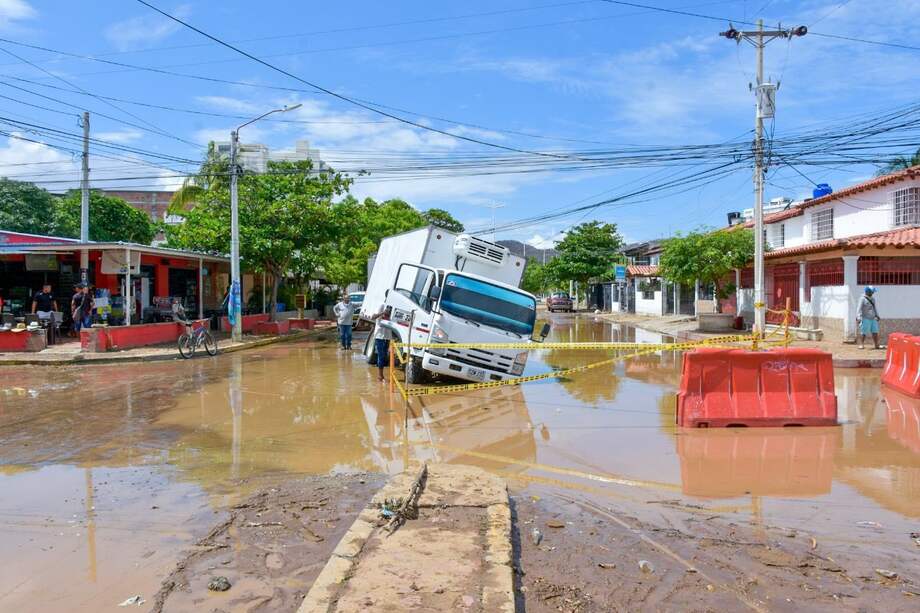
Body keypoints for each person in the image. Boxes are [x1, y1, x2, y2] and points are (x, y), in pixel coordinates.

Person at [372, 304, 395, 382]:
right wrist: (383, 313)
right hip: (379, 335)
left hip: (388, 336)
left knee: (384, 356)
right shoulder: (381, 305)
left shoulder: (394, 306)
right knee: (381, 355)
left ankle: (382, 375)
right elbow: (373, 316)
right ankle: (380, 376)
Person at [857, 286, 882, 350]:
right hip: (865, 318)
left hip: (873, 318)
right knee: (864, 332)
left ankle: (876, 344)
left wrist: (877, 315)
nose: (873, 293)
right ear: (868, 291)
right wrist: (859, 317)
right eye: (872, 291)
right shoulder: (862, 299)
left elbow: (874, 308)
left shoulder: (873, 299)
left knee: (875, 331)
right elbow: (859, 309)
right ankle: (861, 344)